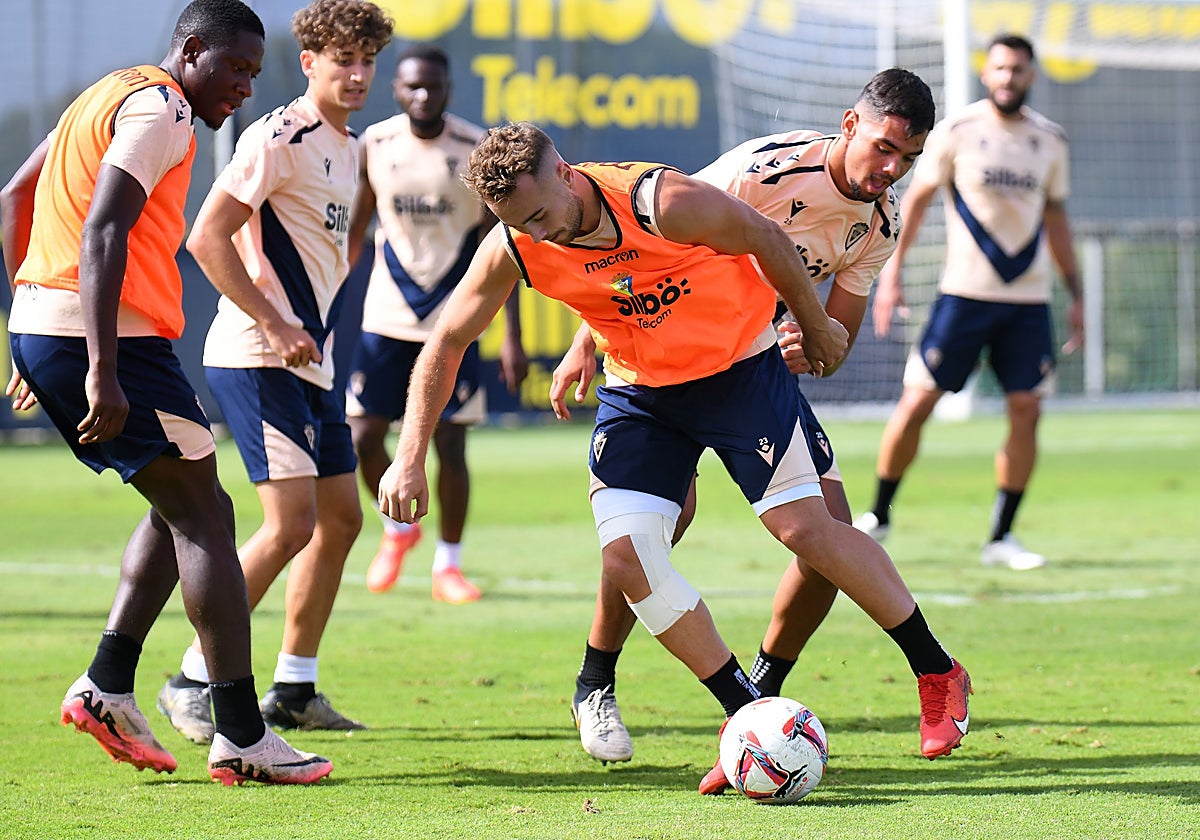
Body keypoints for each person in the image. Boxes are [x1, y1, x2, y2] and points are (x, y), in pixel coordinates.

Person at [376, 121, 972, 794]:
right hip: (641, 395)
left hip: (739, 371)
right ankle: (746, 718)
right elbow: (447, 340)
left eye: (540, 215)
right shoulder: (516, 244)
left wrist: (814, 324)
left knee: (807, 531)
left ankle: (937, 670)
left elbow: (766, 235)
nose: (537, 234)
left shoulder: (660, 200)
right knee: (628, 556)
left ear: (566, 173)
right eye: (520, 224)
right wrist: (409, 455)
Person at [549, 70, 941, 787]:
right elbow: (640, 237)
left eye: (908, 159)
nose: (891, 170)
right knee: (647, 534)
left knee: (825, 536)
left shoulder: (880, 225)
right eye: (884, 148)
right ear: (850, 125)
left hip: (747, 371)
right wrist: (585, 339)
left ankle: (760, 700)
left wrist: (811, 345)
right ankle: (596, 681)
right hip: (661, 368)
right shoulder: (762, 168)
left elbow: (834, 340)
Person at [1, 0, 332, 785]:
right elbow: (103, 230)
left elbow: (14, 196)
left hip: (60, 327)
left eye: (253, 72)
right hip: (110, 339)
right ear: (190, 52)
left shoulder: (105, 92)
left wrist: (32, 320)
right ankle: (241, 735)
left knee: (188, 505)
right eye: (234, 67)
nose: (244, 86)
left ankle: (108, 684)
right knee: (206, 520)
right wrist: (100, 364)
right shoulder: (163, 109)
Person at [155, 0, 394, 745]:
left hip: (310, 364)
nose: (358, 74)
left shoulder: (349, 147)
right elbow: (207, 237)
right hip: (256, 357)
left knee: (343, 519)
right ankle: (191, 679)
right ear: (309, 62)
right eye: (343, 60)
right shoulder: (280, 134)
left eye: (367, 60)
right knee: (291, 524)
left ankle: (293, 686)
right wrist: (275, 321)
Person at [854, 34, 1084, 571]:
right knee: (918, 402)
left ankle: (1002, 536)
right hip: (962, 296)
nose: (1008, 77)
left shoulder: (1050, 140)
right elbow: (916, 201)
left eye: (1018, 69)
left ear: (1031, 75)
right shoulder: (957, 132)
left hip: (1027, 303)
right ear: (987, 73)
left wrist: (1076, 294)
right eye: (1000, 68)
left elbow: (1056, 220)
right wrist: (892, 275)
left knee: (1027, 410)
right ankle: (878, 515)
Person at [345, 43, 527, 605]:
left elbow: (502, 246)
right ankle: (398, 530)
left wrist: (511, 335)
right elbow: (357, 229)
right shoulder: (374, 144)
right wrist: (326, 302)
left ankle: (448, 565)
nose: (423, 95)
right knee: (363, 435)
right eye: (412, 86)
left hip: (455, 320)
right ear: (396, 90)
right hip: (387, 314)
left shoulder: (474, 149)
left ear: (448, 89)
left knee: (449, 442)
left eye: (433, 86)